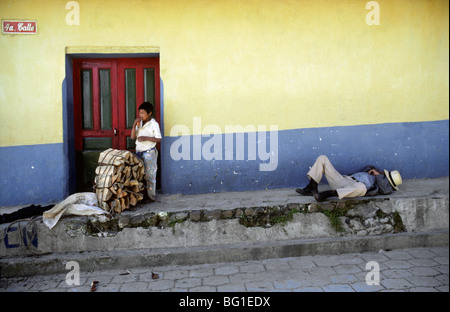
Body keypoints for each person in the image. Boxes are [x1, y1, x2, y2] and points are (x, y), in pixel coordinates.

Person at [296, 155, 402, 202]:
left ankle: (326, 194)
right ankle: (312, 187)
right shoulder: (373, 172)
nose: (383, 173)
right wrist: (377, 171)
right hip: (343, 180)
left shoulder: (384, 186)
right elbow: (369, 167)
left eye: (385, 174)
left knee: (362, 188)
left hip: (352, 188)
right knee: (322, 158)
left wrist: (378, 175)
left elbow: (386, 189)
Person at [131, 102, 162, 202]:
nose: (141, 115)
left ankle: (151, 196)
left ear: (149, 113)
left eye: (143, 113)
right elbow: (132, 137)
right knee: (139, 174)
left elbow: (158, 139)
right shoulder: (139, 124)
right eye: (140, 113)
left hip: (149, 152)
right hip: (139, 151)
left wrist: (145, 138)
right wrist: (134, 125)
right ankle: (140, 196)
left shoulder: (154, 124)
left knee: (150, 175)